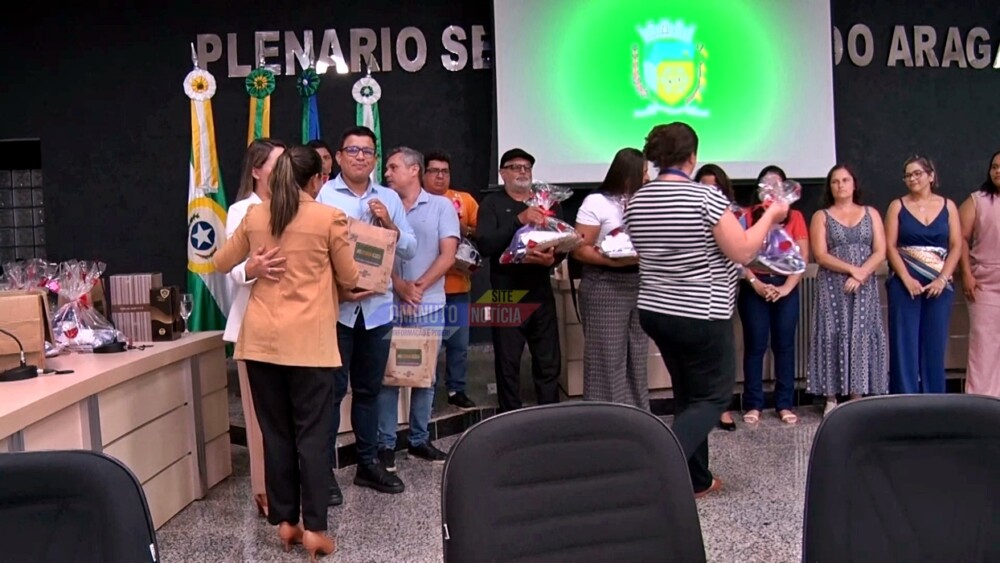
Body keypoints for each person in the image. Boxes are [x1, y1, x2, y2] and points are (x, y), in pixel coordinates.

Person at [624, 122, 788, 498]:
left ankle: (696, 479)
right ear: (692, 157)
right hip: (701, 313)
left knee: (687, 396)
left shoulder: (638, 201)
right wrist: (770, 216)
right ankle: (650, 469)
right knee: (713, 398)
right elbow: (744, 251)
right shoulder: (705, 198)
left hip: (656, 310)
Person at [214, 145, 359, 560]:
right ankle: (315, 528)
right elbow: (349, 277)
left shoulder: (256, 214)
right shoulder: (329, 217)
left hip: (260, 343)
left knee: (275, 435)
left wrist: (253, 265)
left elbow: (222, 262)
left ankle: (285, 522)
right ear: (316, 180)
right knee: (311, 437)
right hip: (309, 346)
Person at [315, 126, 416, 499]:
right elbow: (312, 252)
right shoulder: (323, 196)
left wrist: (389, 225)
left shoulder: (389, 198)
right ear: (339, 157)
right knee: (332, 392)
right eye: (353, 150)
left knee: (370, 391)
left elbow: (409, 249)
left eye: (368, 152)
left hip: (376, 311)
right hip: (337, 311)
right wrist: (341, 287)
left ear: (375, 159)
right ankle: (323, 472)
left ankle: (367, 465)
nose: (360, 157)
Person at [376, 147, 459, 470]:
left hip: (430, 304)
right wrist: (399, 285)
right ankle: (385, 444)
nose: (386, 173)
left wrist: (419, 287)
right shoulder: (383, 205)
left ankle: (419, 439)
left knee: (425, 377)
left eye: (392, 167)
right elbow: (372, 251)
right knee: (389, 378)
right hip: (388, 304)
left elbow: (447, 255)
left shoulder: (441, 206)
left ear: (414, 170)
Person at [223, 137, 287, 517]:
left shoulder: (297, 207)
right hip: (253, 326)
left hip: (294, 326)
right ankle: (266, 494)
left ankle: (292, 490)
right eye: (276, 163)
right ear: (257, 170)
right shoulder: (241, 210)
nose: (284, 170)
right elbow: (231, 268)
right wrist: (252, 268)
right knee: (260, 417)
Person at [477, 148, 565, 412]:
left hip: (540, 290)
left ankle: (550, 414)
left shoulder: (547, 203)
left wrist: (554, 259)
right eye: (515, 167)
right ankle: (510, 416)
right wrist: (519, 219)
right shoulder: (492, 204)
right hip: (506, 294)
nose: (522, 171)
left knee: (548, 361)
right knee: (508, 362)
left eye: (527, 167)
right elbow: (485, 244)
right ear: (503, 173)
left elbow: (562, 241)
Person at [807, 164, 888, 415]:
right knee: (832, 333)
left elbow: (881, 251)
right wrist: (852, 270)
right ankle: (831, 396)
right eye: (835, 181)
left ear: (854, 184)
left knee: (861, 334)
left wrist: (862, 273)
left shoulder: (871, 213)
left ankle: (857, 395)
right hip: (832, 286)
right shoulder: (821, 216)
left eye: (845, 180)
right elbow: (820, 255)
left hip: (864, 287)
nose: (840, 185)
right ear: (830, 187)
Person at [572, 147, 649, 408]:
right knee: (606, 358)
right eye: (644, 173)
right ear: (628, 175)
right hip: (605, 284)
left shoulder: (644, 200)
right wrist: (612, 259)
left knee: (637, 356)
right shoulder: (596, 202)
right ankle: (606, 422)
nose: (648, 178)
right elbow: (579, 249)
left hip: (640, 284)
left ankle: (639, 418)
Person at [737, 166, 809, 425]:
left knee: (784, 346)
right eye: (765, 186)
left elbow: (803, 257)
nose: (771, 191)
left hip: (785, 287)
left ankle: (784, 404)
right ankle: (754, 404)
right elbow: (739, 253)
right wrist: (755, 282)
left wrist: (786, 288)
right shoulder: (747, 215)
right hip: (754, 285)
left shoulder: (796, 217)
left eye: (777, 185)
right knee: (755, 346)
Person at [884, 155, 962, 394]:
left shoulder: (948, 206)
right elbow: (889, 246)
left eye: (917, 173)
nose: (912, 179)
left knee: (934, 343)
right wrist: (906, 279)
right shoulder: (897, 205)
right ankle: (905, 399)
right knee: (904, 343)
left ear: (930, 175)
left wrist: (942, 278)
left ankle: (934, 400)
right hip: (905, 283)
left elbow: (957, 245)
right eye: (907, 175)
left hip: (939, 284)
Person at [422, 149, 478, 410]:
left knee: (458, 344)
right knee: (426, 345)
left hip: (457, 286)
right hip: (424, 288)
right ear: (422, 174)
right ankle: (424, 393)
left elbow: (481, 233)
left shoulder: (463, 200)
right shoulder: (413, 200)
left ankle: (457, 389)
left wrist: (463, 228)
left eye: (444, 172)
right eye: (434, 171)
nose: (440, 177)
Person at [694, 163, 738, 431]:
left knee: (722, 356)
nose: (710, 192)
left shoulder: (732, 216)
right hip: (694, 297)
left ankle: (722, 409)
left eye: (715, 187)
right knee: (697, 361)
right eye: (704, 186)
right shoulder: (686, 216)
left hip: (724, 296)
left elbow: (743, 252)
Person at [958, 150, 1000, 397]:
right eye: (994, 166)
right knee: (984, 346)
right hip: (984, 284)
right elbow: (960, 238)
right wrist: (967, 274)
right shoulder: (977, 201)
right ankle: (981, 404)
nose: (998, 171)